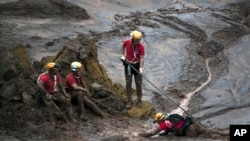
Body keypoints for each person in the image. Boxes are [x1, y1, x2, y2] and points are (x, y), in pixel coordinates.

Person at [120, 30, 145, 109]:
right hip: (128, 65)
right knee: (128, 83)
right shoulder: (127, 42)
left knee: (138, 83)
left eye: (139, 40)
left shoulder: (141, 47)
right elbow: (122, 46)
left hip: (137, 65)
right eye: (136, 40)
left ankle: (139, 100)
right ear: (133, 38)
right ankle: (129, 101)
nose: (137, 41)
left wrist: (141, 68)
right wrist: (122, 55)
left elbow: (142, 58)